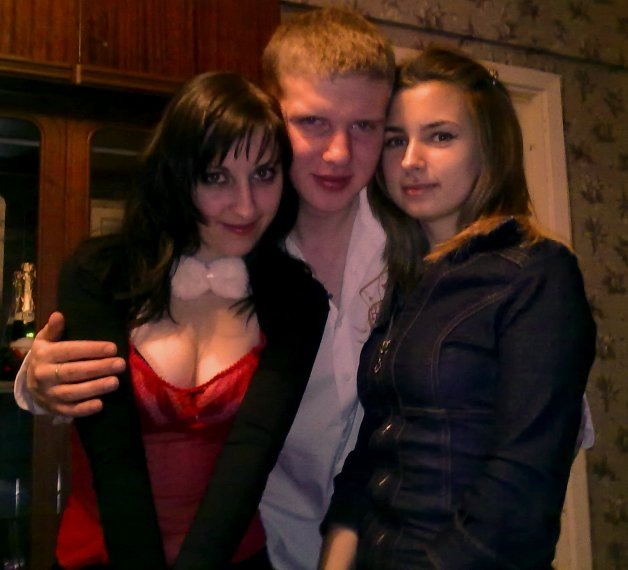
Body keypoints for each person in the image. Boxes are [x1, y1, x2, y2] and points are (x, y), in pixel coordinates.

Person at [15, 8, 396, 569]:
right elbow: (106, 435)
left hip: (370, 541)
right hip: (241, 541)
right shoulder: (146, 260)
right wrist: (35, 382)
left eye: (364, 126)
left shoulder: (412, 250)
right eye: (314, 121)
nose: (339, 152)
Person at [319, 46, 597, 569]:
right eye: (395, 140)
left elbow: (521, 487)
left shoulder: (536, 272)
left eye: (440, 136)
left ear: (489, 146)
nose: (410, 160)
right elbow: (373, 449)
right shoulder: (411, 281)